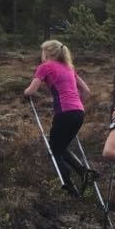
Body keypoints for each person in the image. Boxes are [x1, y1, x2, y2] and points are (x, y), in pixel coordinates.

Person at [23, 39, 96, 197]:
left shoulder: (45, 67)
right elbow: (87, 91)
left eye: (42, 51)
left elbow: (31, 91)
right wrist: (75, 104)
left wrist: (24, 93)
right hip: (79, 113)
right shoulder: (69, 67)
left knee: (54, 149)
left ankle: (69, 185)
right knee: (61, 147)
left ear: (47, 53)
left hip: (64, 113)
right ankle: (83, 172)